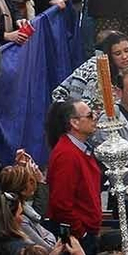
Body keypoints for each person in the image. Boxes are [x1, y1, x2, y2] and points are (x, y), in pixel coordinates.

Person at [45, 100, 104, 245]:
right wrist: (81, 233)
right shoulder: (67, 155)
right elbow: (61, 203)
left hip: (87, 232)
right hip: (78, 239)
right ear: (75, 123)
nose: (95, 117)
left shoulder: (80, 149)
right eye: (90, 115)